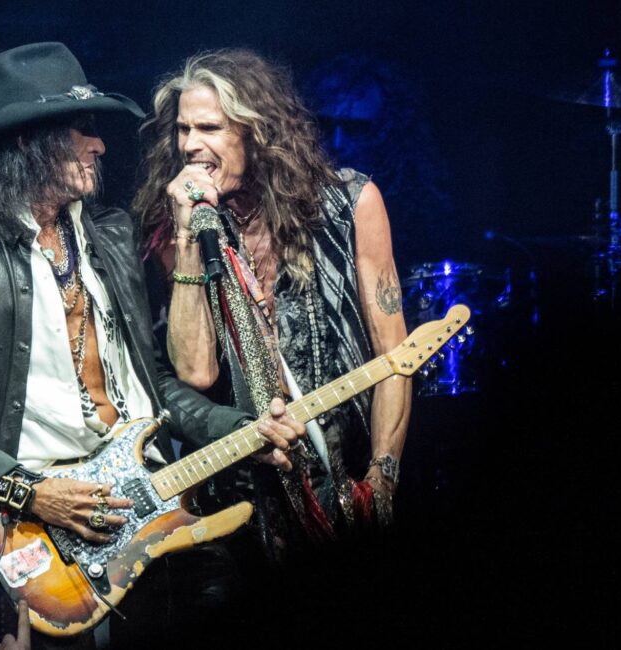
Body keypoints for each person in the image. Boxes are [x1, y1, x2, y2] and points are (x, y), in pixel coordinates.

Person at [0, 42, 303, 650]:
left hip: (149, 503)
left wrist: (240, 428)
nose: (100, 145)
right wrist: (31, 492)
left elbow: (154, 385)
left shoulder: (110, 236)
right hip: (42, 530)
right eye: (82, 129)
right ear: (28, 143)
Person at [134, 49, 412, 550]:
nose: (190, 146)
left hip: (347, 480)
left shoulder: (349, 205)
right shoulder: (176, 228)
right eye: (183, 129)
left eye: (209, 128)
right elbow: (196, 373)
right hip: (244, 501)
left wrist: (383, 477)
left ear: (257, 132)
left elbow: (395, 357)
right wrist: (187, 233)